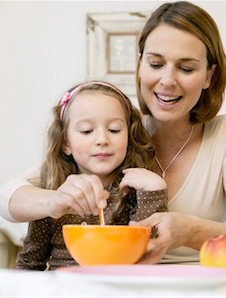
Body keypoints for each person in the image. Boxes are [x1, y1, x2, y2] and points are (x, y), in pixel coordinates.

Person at [0, 1, 226, 265]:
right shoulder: (118, 135)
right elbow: (5, 197)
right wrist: (52, 200)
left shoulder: (225, 134)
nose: (167, 80)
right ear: (140, 65)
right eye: (155, 64)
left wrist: (191, 231)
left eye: (186, 68)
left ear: (209, 76)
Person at [15, 80, 167, 270]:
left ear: (129, 135)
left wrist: (154, 192)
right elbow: (30, 262)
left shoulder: (136, 188)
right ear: (65, 142)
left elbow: (148, 256)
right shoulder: (53, 189)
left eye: (114, 130)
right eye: (87, 131)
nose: (102, 140)